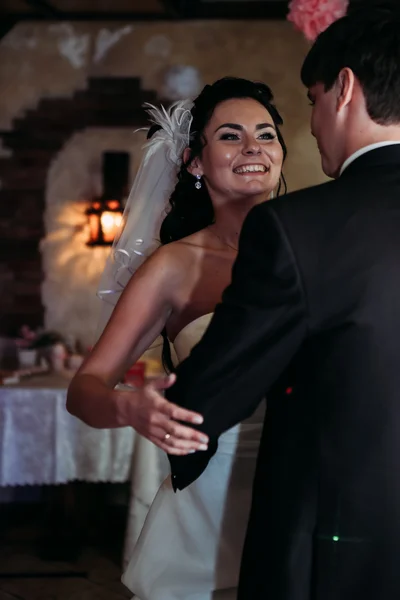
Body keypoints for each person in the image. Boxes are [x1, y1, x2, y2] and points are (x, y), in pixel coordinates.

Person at [159, 5, 400, 600]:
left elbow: (210, 393)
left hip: (339, 547)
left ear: (343, 89)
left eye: (312, 99)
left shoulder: (298, 227)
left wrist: (167, 411)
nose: (312, 124)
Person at [67, 77, 287, 599]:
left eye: (266, 134)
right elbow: (85, 389)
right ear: (194, 161)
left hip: (298, 491)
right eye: (231, 136)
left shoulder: (313, 244)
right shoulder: (172, 266)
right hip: (206, 502)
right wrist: (130, 409)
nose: (254, 147)